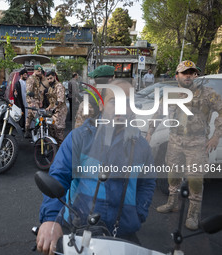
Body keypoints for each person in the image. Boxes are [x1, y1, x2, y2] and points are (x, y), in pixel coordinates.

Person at [36, 79, 156, 254]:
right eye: (114, 101)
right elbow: (58, 177)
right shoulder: (79, 138)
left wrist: (138, 214)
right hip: (78, 227)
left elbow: (147, 182)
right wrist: (51, 220)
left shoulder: (141, 145)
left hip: (123, 233)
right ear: (101, 104)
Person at [146, 60, 222, 230]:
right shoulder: (170, 95)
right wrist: (150, 132)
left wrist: (216, 135)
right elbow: (158, 114)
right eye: (185, 73)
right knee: (173, 175)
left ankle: (193, 214)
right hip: (174, 141)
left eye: (192, 73)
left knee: (195, 179)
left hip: (197, 143)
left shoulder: (208, 94)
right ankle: (172, 203)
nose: (188, 76)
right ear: (177, 76)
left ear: (196, 75)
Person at [45, 71, 68, 146]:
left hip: (60, 110)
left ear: (54, 77)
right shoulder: (51, 88)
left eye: (51, 78)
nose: (49, 81)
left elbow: (59, 101)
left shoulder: (59, 86)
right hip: (53, 111)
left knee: (58, 130)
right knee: (51, 128)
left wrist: (54, 108)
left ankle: (61, 147)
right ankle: (54, 147)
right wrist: (48, 108)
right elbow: (52, 101)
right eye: (48, 79)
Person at [25, 65, 44, 138]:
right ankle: (36, 131)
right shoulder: (31, 79)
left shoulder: (38, 79)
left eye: (40, 71)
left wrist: (41, 101)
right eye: (38, 71)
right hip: (32, 101)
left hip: (37, 100)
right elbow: (28, 91)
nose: (39, 72)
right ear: (34, 71)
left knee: (29, 116)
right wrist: (32, 102)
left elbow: (40, 91)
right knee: (38, 117)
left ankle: (27, 131)